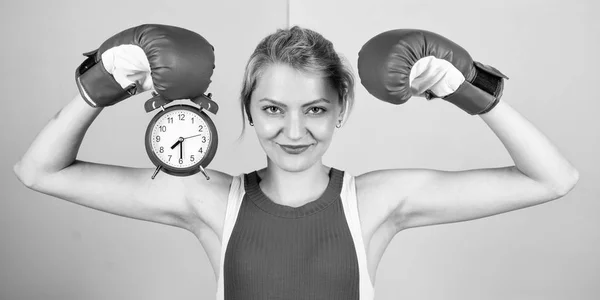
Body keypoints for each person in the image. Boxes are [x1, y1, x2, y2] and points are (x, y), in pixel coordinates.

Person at [13, 25, 579, 300]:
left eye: (314, 109)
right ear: (248, 113)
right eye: (272, 109)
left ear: (339, 112)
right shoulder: (208, 198)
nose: (293, 130)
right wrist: (97, 84)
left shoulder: (376, 202)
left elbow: (553, 179)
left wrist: (469, 87)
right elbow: (39, 171)